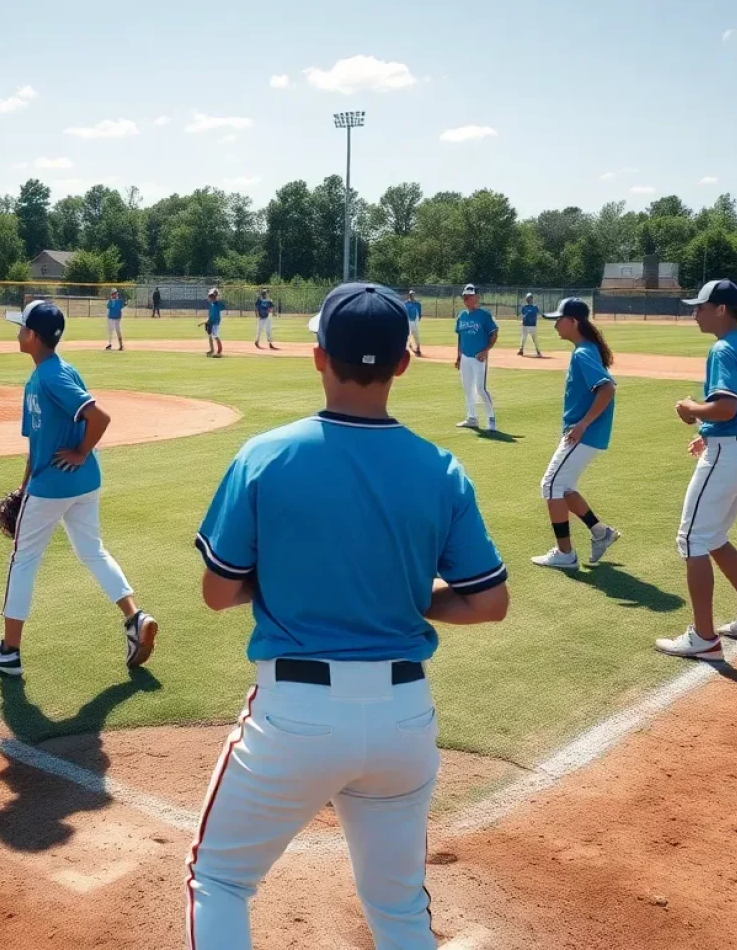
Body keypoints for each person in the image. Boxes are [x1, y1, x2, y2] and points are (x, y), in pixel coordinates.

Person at [187, 281, 509, 950]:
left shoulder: (265, 455)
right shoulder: (441, 468)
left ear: (318, 357)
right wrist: (408, 596)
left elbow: (218, 592)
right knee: (398, 911)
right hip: (403, 722)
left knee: (219, 880)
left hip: (295, 716)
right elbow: (489, 601)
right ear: (401, 362)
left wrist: (282, 580)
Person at [0, 300, 158, 676]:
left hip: (54, 485)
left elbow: (99, 416)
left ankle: (9, 651)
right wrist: (24, 484)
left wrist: (79, 451)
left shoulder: (49, 377)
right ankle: (134, 617)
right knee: (92, 551)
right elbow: (36, 441)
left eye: (20, 327)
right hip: (82, 483)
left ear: (32, 335)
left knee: (22, 560)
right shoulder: (54, 371)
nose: (17, 332)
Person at [656, 280, 737, 662]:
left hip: (729, 456)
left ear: (721, 309)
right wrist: (710, 434)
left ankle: (704, 638)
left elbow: (725, 407)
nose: (695, 313)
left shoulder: (724, 348)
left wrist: (692, 409)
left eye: (700, 307)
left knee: (691, 539)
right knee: (713, 537)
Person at [530, 298, 620, 570]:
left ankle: (565, 554)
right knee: (564, 487)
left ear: (574, 322)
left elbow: (607, 389)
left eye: (559, 319)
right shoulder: (586, 349)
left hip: (585, 434)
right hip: (586, 434)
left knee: (550, 485)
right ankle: (600, 532)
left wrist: (582, 424)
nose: (555, 324)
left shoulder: (583, 353)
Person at [454, 283, 498, 431]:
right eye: (464, 297)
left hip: (479, 357)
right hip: (465, 357)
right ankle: (471, 418)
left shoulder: (484, 315)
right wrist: (458, 357)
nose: (466, 299)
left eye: (469, 297)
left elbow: (493, 333)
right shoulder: (462, 316)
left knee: (480, 389)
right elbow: (460, 337)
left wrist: (486, 351)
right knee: (467, 388)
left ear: (476, 298)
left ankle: (491, 419)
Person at [518, 293, 542, 357]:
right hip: (527, 326)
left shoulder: (532, 307)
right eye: (528, 298)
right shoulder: (531, 307)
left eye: (529, 298)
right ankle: (522, 350)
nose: (528, 299)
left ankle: (538, 351)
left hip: (531, 326)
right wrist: (522, 322)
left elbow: (525, 315)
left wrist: (523, 321)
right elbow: (524, 316)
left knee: (530, 338)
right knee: (524, 338)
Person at [205, 288, 223, 358]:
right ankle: (212, 350)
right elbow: (211, 314)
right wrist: (208, 320)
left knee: (215, 336)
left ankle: (219, 351)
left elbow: (215, 316)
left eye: (210, 296)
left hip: (215, 323)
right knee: (210, 336)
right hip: (211, 322)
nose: (208, 297)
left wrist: (210, 321)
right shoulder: (212, 305)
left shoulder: (216, 304)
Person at [405, 289, 423, 356]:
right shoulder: (406, 303)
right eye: (411, 294)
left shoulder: (417, 304)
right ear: (409, 295)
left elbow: (420, 312)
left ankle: (418, 349)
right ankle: (407, 349)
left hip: (415, 321)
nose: (412, 295)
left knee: (416, 335)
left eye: (413, 294)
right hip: (408, 321)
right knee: (408, 334)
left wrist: (419, 318)